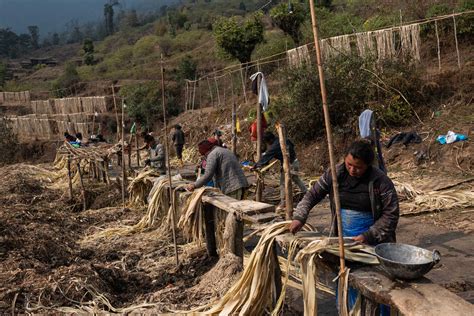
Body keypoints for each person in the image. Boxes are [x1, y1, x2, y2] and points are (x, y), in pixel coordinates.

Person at [290, 140, 398, 315]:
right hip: (344, 243)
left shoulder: (380, 182)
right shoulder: (336, 174)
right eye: (349, 164)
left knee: (376, 286)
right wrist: (299, 217)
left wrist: (368, 235)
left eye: (358, 167)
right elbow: (312, 195)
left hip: (371, 246)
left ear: (368, 166)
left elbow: (391, 215)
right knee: (346, 281)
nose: (352, 170)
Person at [252, 131, 307, 210]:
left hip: (289, 165)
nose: (268, 144)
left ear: (270, 140)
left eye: (267, 142)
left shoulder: (275, 146)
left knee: (282, 183)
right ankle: (307, 193)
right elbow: (291, 146)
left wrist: (256, 165)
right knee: (296, 179)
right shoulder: (283, 139)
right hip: (295, 161)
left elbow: (267, 156)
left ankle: (283, 202)